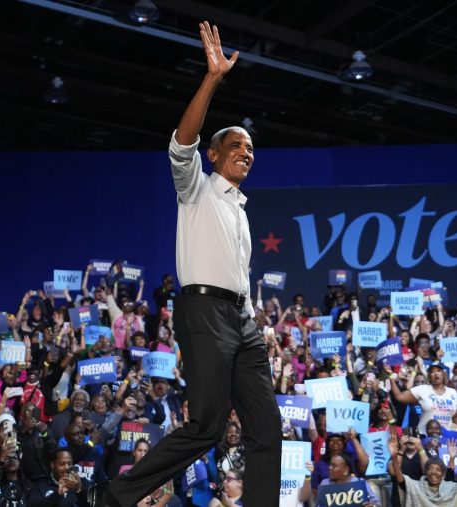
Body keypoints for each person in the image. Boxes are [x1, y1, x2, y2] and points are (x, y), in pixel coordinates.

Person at [105, 20, 281, 506]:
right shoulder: (196, 189)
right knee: (206, 426)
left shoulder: (241, 211)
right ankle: (118, 494)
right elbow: (180, 142)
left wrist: (252, 318)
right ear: (214, 153)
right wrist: (212, 78)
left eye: (250, 148)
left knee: (267, 427)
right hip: (203, 314)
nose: (246, 152)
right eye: (236, 145)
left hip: (240, 322)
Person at [389, 432, 457, 506]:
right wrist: (394, 455)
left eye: (438, 469)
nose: (433, 472)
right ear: (425, 472)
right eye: (430, 468)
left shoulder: (450, 488)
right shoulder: (416, 488)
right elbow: (399, 477)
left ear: (443, 474)